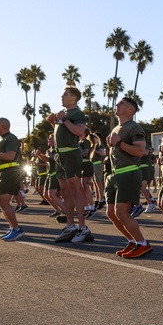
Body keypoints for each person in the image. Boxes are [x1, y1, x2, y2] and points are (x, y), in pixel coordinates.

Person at [105, 96, 152, 258]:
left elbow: (140, 151)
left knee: (121, 212)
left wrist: (119, 143)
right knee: (111, 213)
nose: (117, 105)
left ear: (130, 110)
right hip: (115, 174)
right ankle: (132, 241)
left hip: (129, 172)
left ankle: (143, 243)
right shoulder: (116, 128)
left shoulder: (134, 127)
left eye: (121, 103)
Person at [50, 87, 92, 244]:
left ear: (74, 98)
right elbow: (63, 134)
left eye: (66, 94)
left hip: (71, 155)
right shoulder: (64, 114)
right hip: (60, 156)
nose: (62, 96)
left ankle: (83, 228)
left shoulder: (76, 114)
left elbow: (80, 131)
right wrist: (52, 123)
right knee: (65, 192)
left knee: (76, 191)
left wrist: (65, 120)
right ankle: (70, 226)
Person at [0, 118, 25, 241]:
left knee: (3, 202)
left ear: (2, 126)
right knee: (2, 203)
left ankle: (16, 229)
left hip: (10, 172)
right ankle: (13, 228)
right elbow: (1, 157)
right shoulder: (2, 140)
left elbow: (11, 155)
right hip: (5, 172)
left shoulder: (10, 138)